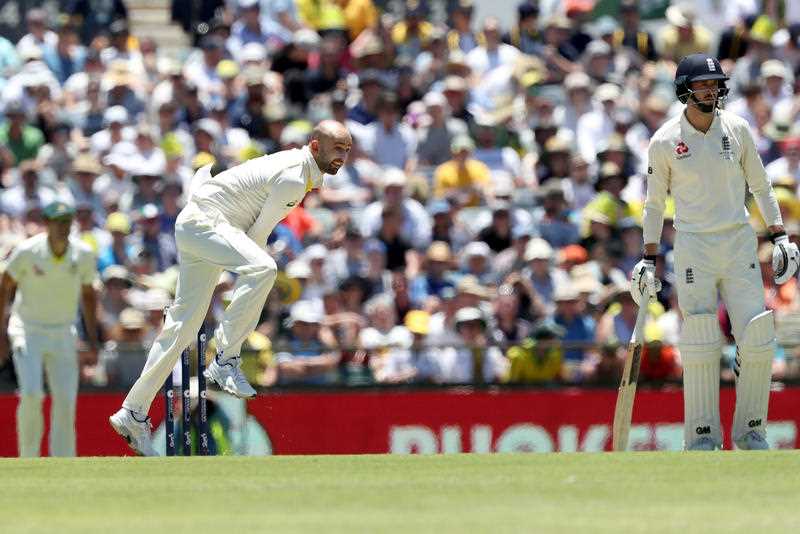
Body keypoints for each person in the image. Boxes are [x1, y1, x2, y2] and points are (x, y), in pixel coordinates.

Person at [109, 120, 352, 455]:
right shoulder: (295, 176)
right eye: (336, 148)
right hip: (207, 224)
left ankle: (132, 411)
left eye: (346, 150)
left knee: (182, 328)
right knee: (263, 267)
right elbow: (257, 239)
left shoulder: (303, 173)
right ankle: (225, 359)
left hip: (201, 226)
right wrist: (249, 278)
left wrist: (237, 268)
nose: (342, 156)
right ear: (314, 146)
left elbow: (248, 235)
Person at [633, 54, 799, 451]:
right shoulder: (664, 141)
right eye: (703, 84)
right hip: (693, 244)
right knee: (701, 337)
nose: (711, 90)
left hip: (738, 239)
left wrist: (780, 236)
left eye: (715, 83)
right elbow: (654, 204)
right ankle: (703, 436)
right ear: (684, 90)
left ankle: (751, 431)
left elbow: (761, 186)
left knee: (758, 336)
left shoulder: (738, 128)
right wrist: (647, 257)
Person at [0, 201, 99, 457]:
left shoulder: (84, 254)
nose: (63, 227)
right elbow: (5, 284)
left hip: (64, 332)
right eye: (58, 222)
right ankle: (28, 458)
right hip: (27, 330)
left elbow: (88, 296)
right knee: (32, 395)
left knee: (66, 400)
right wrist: (1, 332)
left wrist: (92, 340)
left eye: (67, 221)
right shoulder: (27, 251)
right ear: (47, 224)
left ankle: (63, 462)